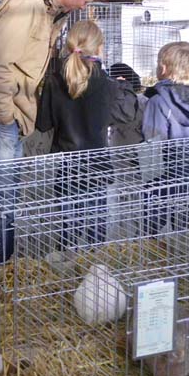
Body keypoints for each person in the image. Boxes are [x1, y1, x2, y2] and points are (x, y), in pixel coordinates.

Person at [0, 0, 106, 264]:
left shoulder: (45, 8)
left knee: (6, 197)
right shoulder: (26, 5)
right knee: (1, 199)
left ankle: (0, 265)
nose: (84, 6)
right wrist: (4, 114)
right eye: (86, 0)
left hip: (10, 115)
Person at [35, 20, 137, 244]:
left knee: (68, 226)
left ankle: (66, 257)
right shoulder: (108, 84)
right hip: (97, 165)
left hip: (67, 166)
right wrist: (124, 86)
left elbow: (42, 124)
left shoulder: (53, 81)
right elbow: (127, 114)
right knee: (96, 226)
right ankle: (94, 256)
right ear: (99, 48)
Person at [142, 41, 189, 235]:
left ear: (163, 68)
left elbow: (151, 142)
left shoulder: (158, 101)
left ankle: (153, 243)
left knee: (154, 233)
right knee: (184, 228)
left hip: (164, 178)